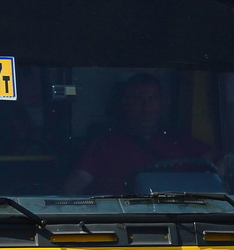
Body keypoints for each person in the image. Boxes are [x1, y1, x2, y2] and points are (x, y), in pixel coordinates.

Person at [64, 74, 211, 195]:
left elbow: (219, 164)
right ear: (125, 102)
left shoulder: (180, 141)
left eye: (152, 99)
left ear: (163, 103)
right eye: (138, 99)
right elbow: (76, 183)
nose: (146, 107)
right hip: (120, 219)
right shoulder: (105, 143)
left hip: (177, 217)